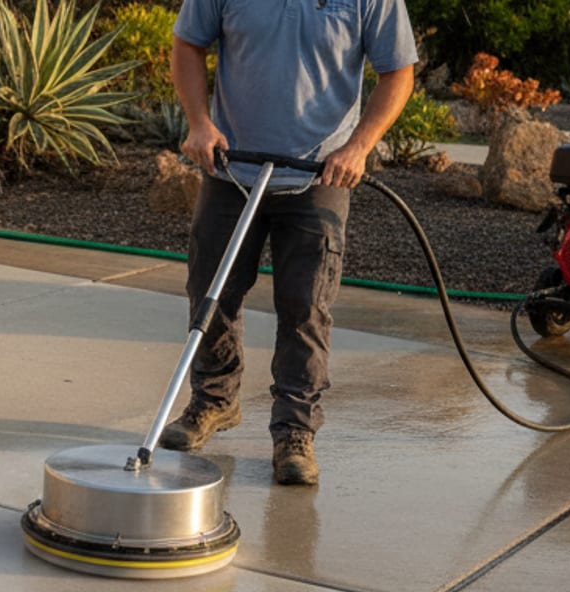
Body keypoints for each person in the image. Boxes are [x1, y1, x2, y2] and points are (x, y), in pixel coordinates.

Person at [161, 0, 418, 484]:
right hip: (231, 168)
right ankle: (214, 401)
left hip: (319, 175)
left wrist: (358, 146)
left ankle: (294, 432)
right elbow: (188, 43)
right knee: (210, 292)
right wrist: (199, 123)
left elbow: (398, 72)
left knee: (305, 307)